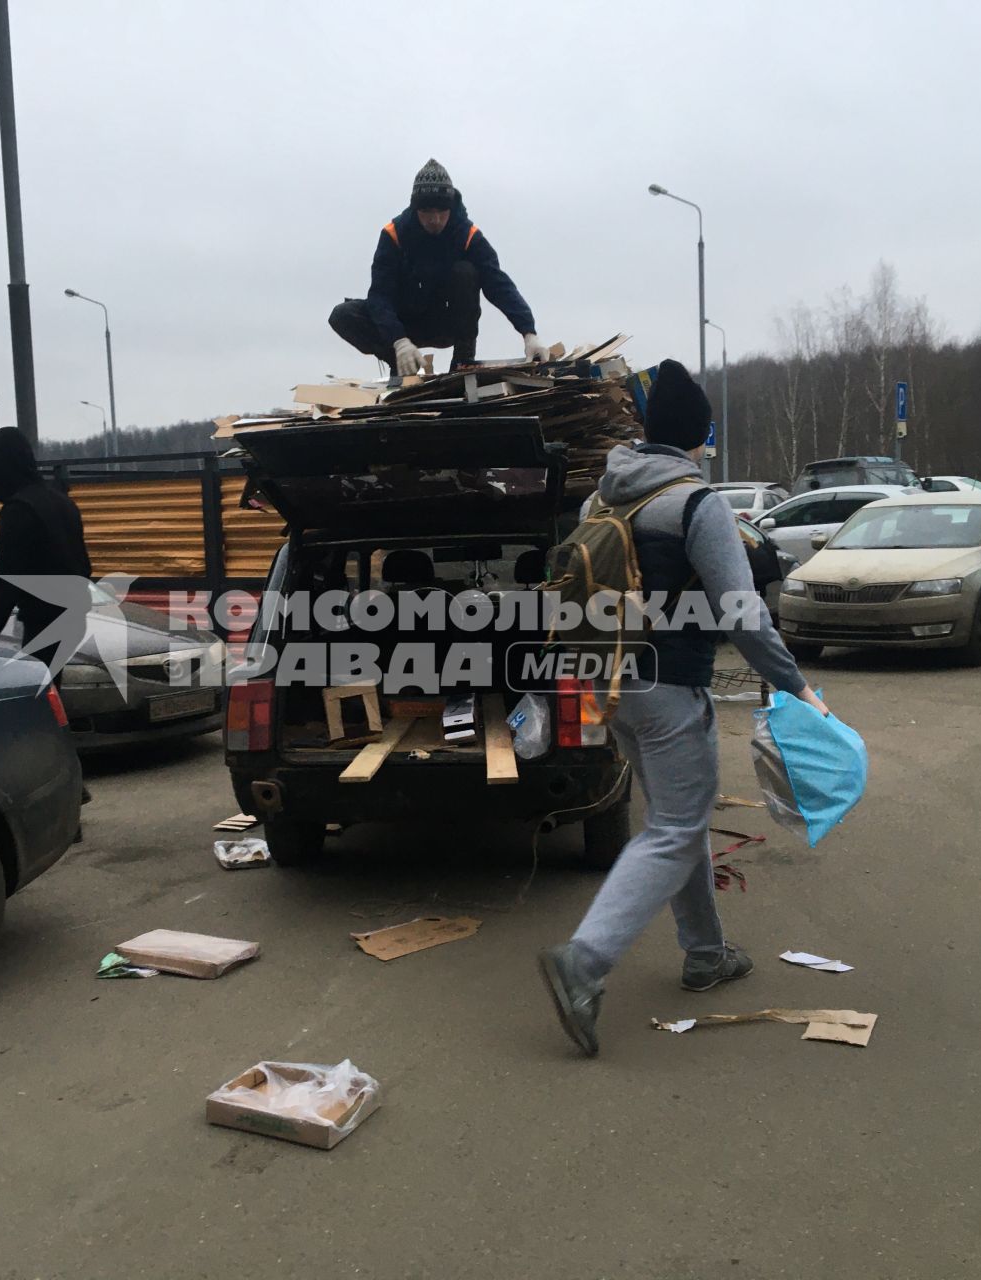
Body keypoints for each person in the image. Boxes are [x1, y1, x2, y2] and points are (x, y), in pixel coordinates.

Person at [538, 360, 831, 1058]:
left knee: (680, 813)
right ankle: (584, 961)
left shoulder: (597, 503)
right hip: (670, 689)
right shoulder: (695, 505)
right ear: (699, 434)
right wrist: (797, 687)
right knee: (673, 826)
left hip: (611, 687)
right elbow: (743, 614)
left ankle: (705, 952)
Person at [328, 158, 547, 375]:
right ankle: (402, 363)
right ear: (416, 209)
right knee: (343, 315)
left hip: (444, 322)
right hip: (403, 323)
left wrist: (528, 331)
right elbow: (380, 295)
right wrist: (398, 340)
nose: (435, 219)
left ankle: (463, 361)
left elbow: (498, 284)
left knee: (466, 272)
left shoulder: (467, 235)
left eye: (442, 211)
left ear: (451, 208)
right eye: (427, 212)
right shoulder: (394, 235)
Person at [0, 427, 94, 674]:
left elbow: (6, 583)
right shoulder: (63, 502)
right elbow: (83, 564)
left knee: (35, 698)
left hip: (42, 622)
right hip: (72, 617)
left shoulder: (19, 510)